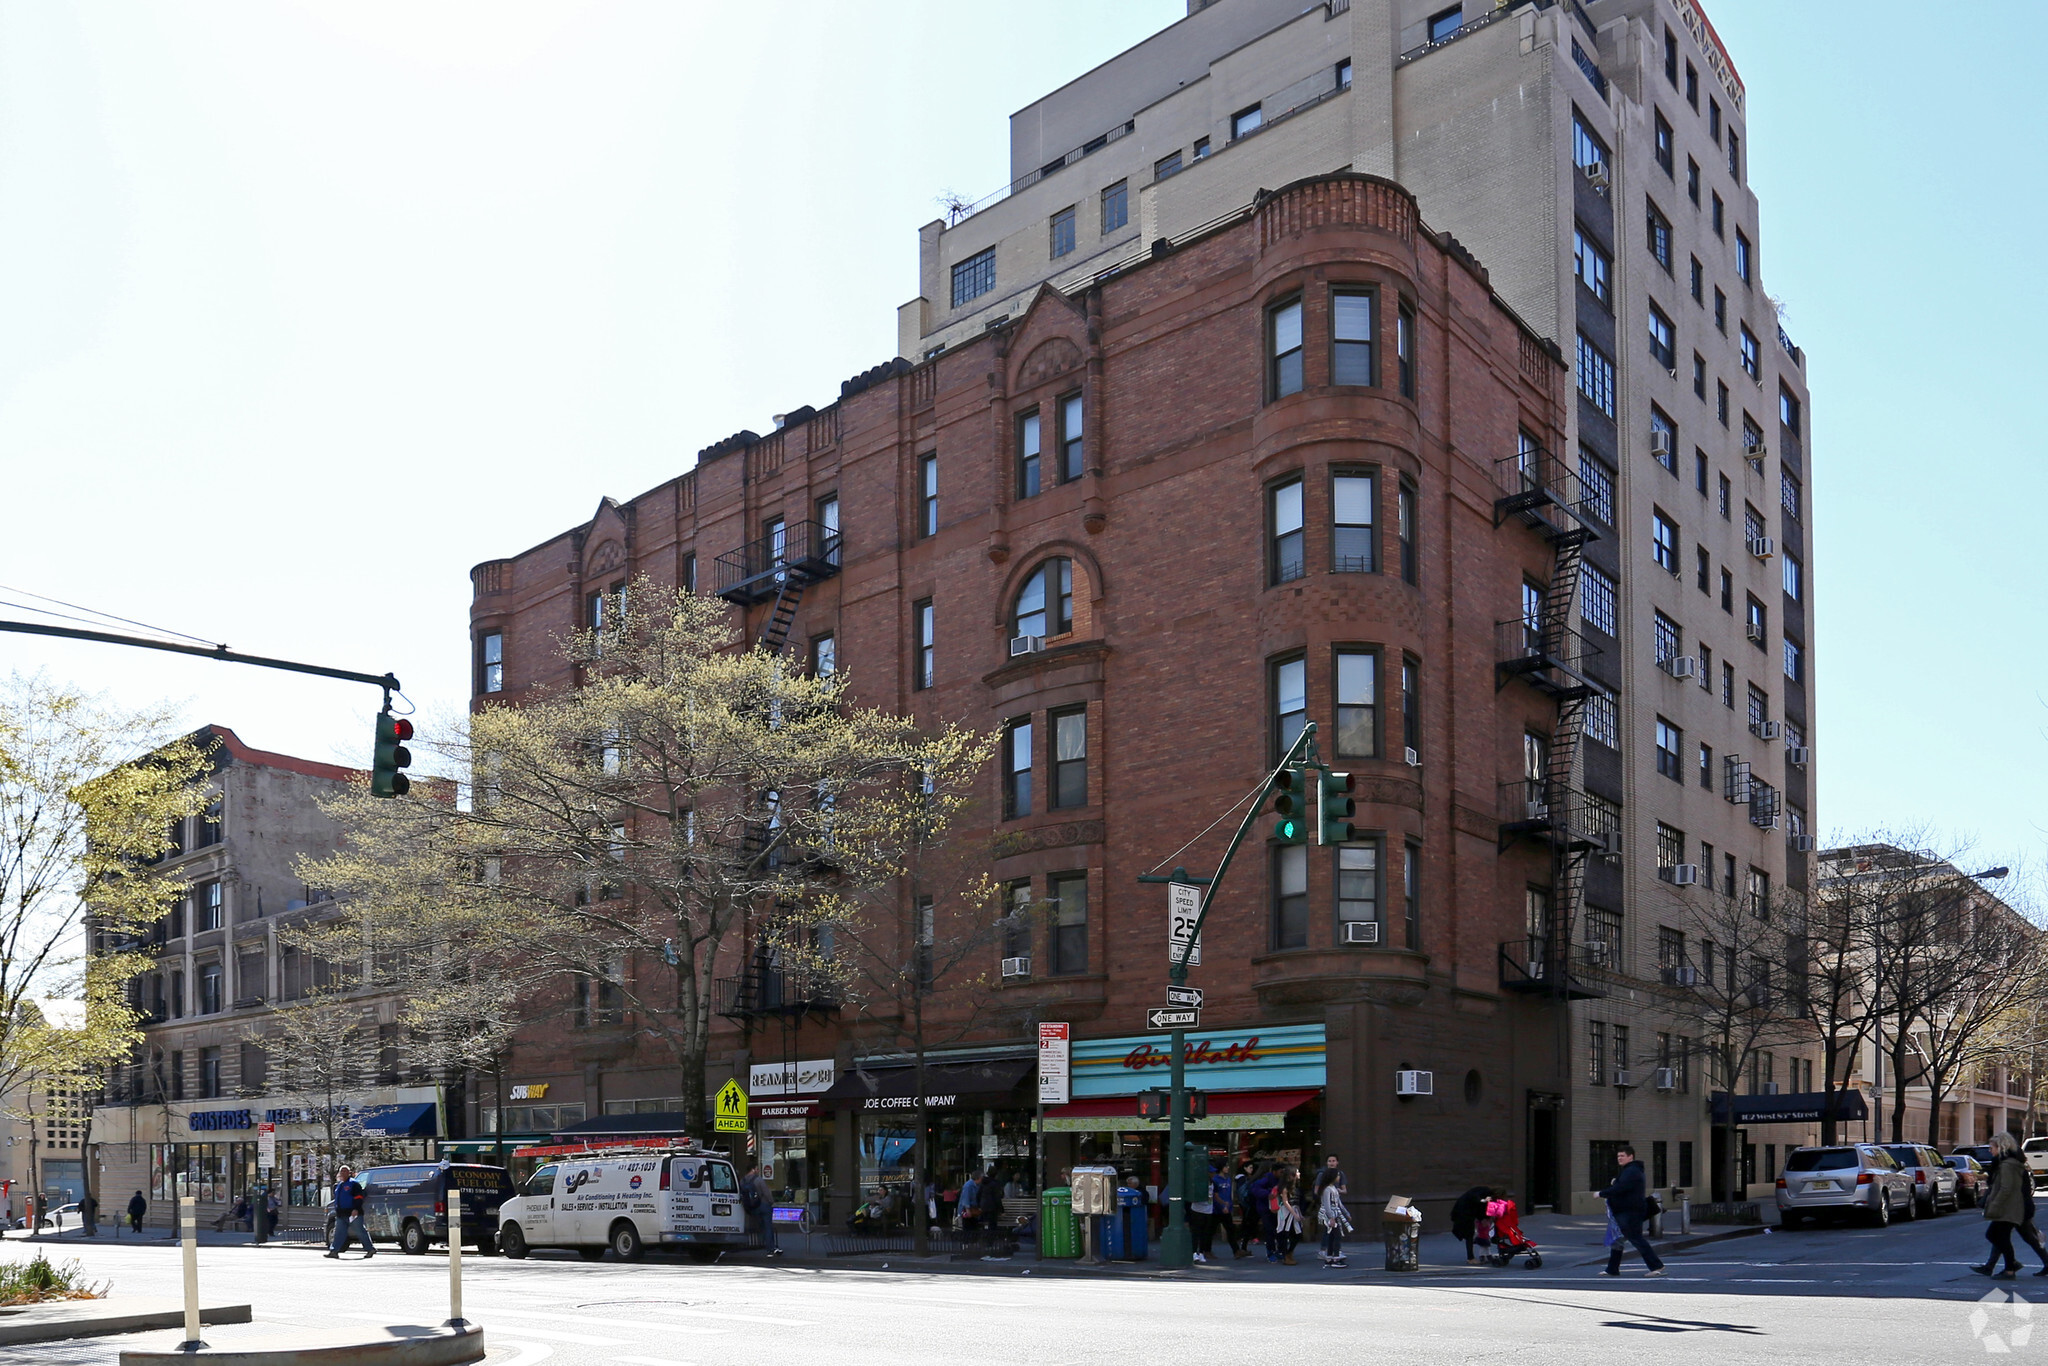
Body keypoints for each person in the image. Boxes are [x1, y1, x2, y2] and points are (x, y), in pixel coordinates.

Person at [1597, 1145, 1665, 1277]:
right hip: (1625, 1211)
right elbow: (1623, 1186)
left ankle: (1656, 1265)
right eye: (1618, 1156)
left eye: (1622, 1156)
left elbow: (1621, 1188)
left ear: (1630, 1156)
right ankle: (1612, 1269)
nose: (1619, 1158)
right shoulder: (1630, 1170)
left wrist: (1601, 1193)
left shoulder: (1632, 1171)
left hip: (1630, 1212)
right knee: (1617, 1240)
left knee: (1636, 1239)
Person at [1975, 1131, 2029, 1279]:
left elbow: (2006, 1188)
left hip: (2007, 1208)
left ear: (2001, 1147)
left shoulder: (2006, 1165)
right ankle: (2011, 1265)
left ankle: (2010, 1268)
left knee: (1995, 1235)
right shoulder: (2009, 1163)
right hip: (2010, 1207)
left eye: (1991, 1147)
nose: (1989, 1150)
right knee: (2000, 1236)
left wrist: (1995, 1205)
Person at [323, 1165, 372, 1259]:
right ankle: (334, 1251)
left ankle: (370, 1249)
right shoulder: (339, 1185)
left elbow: (359, 1197)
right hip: (341, 1214)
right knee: (338, 1233)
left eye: (345, 1171)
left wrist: (356, 1209)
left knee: (360, 1231)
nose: (343, 1173)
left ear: (349, 1173)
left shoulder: (354, 1184)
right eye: (342, 1171)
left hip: (353, 1213)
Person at [1316, 1167, 1352, 1268]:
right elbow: (1327, 1205)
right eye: (1338, 1175)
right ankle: (1335, 1258)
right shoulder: (1327, 1189)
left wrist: (1346, 1213)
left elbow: (1339, 1204)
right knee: (1337, 1236)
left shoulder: (1334, 1189)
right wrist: (1331, 1217)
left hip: (1335, 1214)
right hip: (1330, 1215)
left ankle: (1329, 1257)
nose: (1339, 1177)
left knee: (1332, 1236)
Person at [740, 1160, 777, 1256]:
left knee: (760, 1226)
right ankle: (770, 1248)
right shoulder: (758, 1180)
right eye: (756, 1169)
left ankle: (762, 1243)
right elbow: (767, 1193)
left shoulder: (742, 1181)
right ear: (753, 1169)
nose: (758, 1170)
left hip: (751, 1208)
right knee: (768, 1227)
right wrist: (771, 1202)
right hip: (763, 1206)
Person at [1450, 1185, 1492, 1265]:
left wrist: (1482, 1217)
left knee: (1469, 1235)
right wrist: (1483, 1217)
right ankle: (1470, 1258)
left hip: (1463, 1214)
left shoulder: (1474, 1194)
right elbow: (1480, 1205)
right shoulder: (1480, 1196)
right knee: (1469, 1235)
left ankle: (1471, 1257)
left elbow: (1478, 1206)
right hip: (1465, 1215)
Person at [1271, 1167, 1304, 1266]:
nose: (1299, 1173)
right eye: (1297, 1172)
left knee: (1296, 1234)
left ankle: (1288, 1253)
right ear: (1291, 1175)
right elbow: (1285, 1202)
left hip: (1293, 1211)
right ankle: (1286, 1255)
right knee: (1285, 1233)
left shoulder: (1295, 1187)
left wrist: (1299, 1214)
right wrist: (1294, 1214)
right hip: (1286, 1213)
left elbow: (1296, 1202)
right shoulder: (1285, 1187)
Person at [1247, 1162, 1279, 1261]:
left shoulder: (1261, 1178)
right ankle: (1272, 1251)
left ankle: (1273, 1251)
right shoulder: (1266, 1179)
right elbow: (1256, 1189)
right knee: (1271, 1229)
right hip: (1266, 1206)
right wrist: (1268, 1193)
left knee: (1271, 1229)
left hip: (1264, 1206)